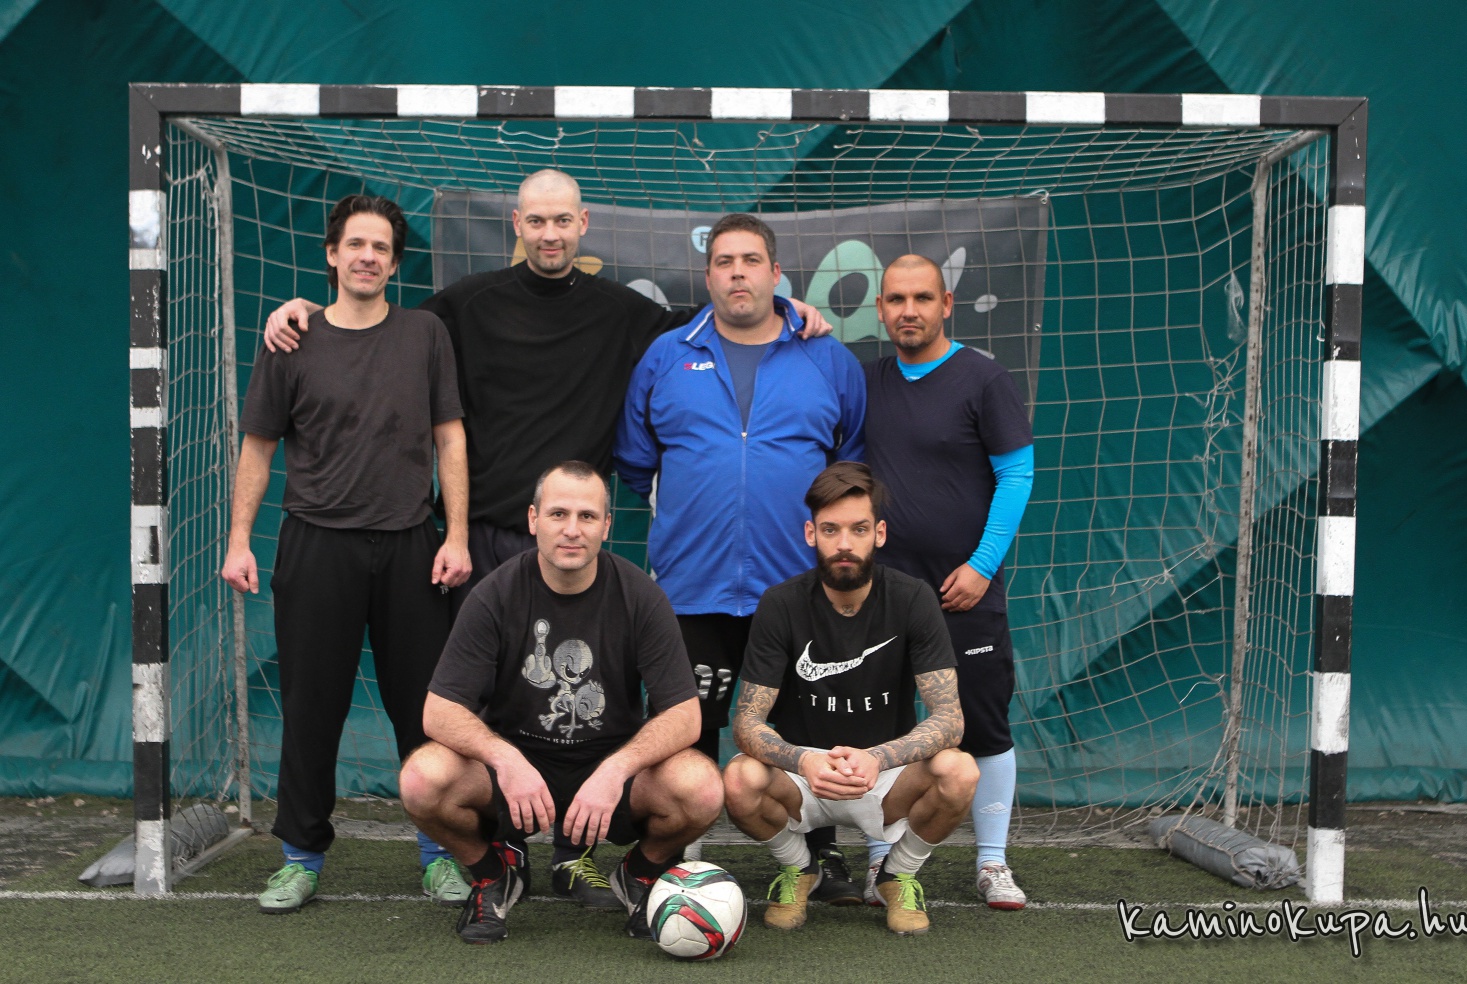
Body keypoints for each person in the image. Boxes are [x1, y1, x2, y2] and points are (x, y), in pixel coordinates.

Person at [263, 171, 830, 905]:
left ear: (583, 224)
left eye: (562, 220)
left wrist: (787, 308)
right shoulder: (466, 305)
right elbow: (373, 317)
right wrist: (309, 309)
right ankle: (489, 850)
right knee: (482, 707)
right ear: (517, 226)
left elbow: (723, 313)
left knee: (580, 699)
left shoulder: (623, 313)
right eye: (537, 221)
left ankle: (574, 851)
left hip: (573, 546)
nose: (550, 233)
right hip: (485, 544)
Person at [220, 194, 473, 914]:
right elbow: (258, 447)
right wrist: (239, 541)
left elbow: (450, 437)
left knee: (426, 713)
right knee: (311, 710)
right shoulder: (290, 340)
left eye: (381, 247)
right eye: (355, 244)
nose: (367, 256)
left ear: (395, 263)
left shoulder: (425, 334)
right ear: (332, 255)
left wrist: (455, 534)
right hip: (316, 545)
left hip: (410, 547)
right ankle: (299, 859)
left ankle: (440, 853)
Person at [614, 212, 868, 902]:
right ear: (708, 276)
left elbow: (849, 468)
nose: (737, 273)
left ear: (775, 273)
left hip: (796, 590)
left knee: (806, 728)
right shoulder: (666, 356)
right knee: (684, 727)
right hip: (690, 587)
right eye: (724, 262)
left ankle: (817, 854)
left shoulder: (828, 358)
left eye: (751, 260)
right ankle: (677, 853)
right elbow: (637, 462)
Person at [398, 461, 722, 944]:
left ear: (606, 526)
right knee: (422, 779)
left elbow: (685, 715)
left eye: (587, 516)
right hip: (517, 771)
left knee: (702, 789)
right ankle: (493, 875)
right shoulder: (494, 594)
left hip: (610, 769)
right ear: (533, 520)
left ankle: (638, 874)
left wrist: (616, 769)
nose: (572, 529)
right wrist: (504, 758)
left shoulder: (641, 596)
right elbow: (438, 710)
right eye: (558, 514)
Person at [723, 462, 978, 936]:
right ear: (810, 534)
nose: (844, 543)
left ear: (879, 533)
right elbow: (747, 721)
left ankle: (897, 875)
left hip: (885, 774)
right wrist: (805, 761)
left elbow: (950, 719)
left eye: (859, 529)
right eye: (830, 529)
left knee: (959, 770)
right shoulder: (780, 603)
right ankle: (799, 867)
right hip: (804, 776)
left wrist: (878, 758)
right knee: (740, 778)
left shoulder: (912, 598)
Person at [862, 254, 1035, 910]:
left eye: (922, 298)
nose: (909, 310)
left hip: (965, 593)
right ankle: (879, 859)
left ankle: (991, 863)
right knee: (882, 729)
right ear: (880, 309)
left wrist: (982, 565)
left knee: (982, 725)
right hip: (882, 599)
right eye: (896, 299)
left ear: (947, 304)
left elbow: (1017, 475)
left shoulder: (984, 379)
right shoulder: (867, 382)